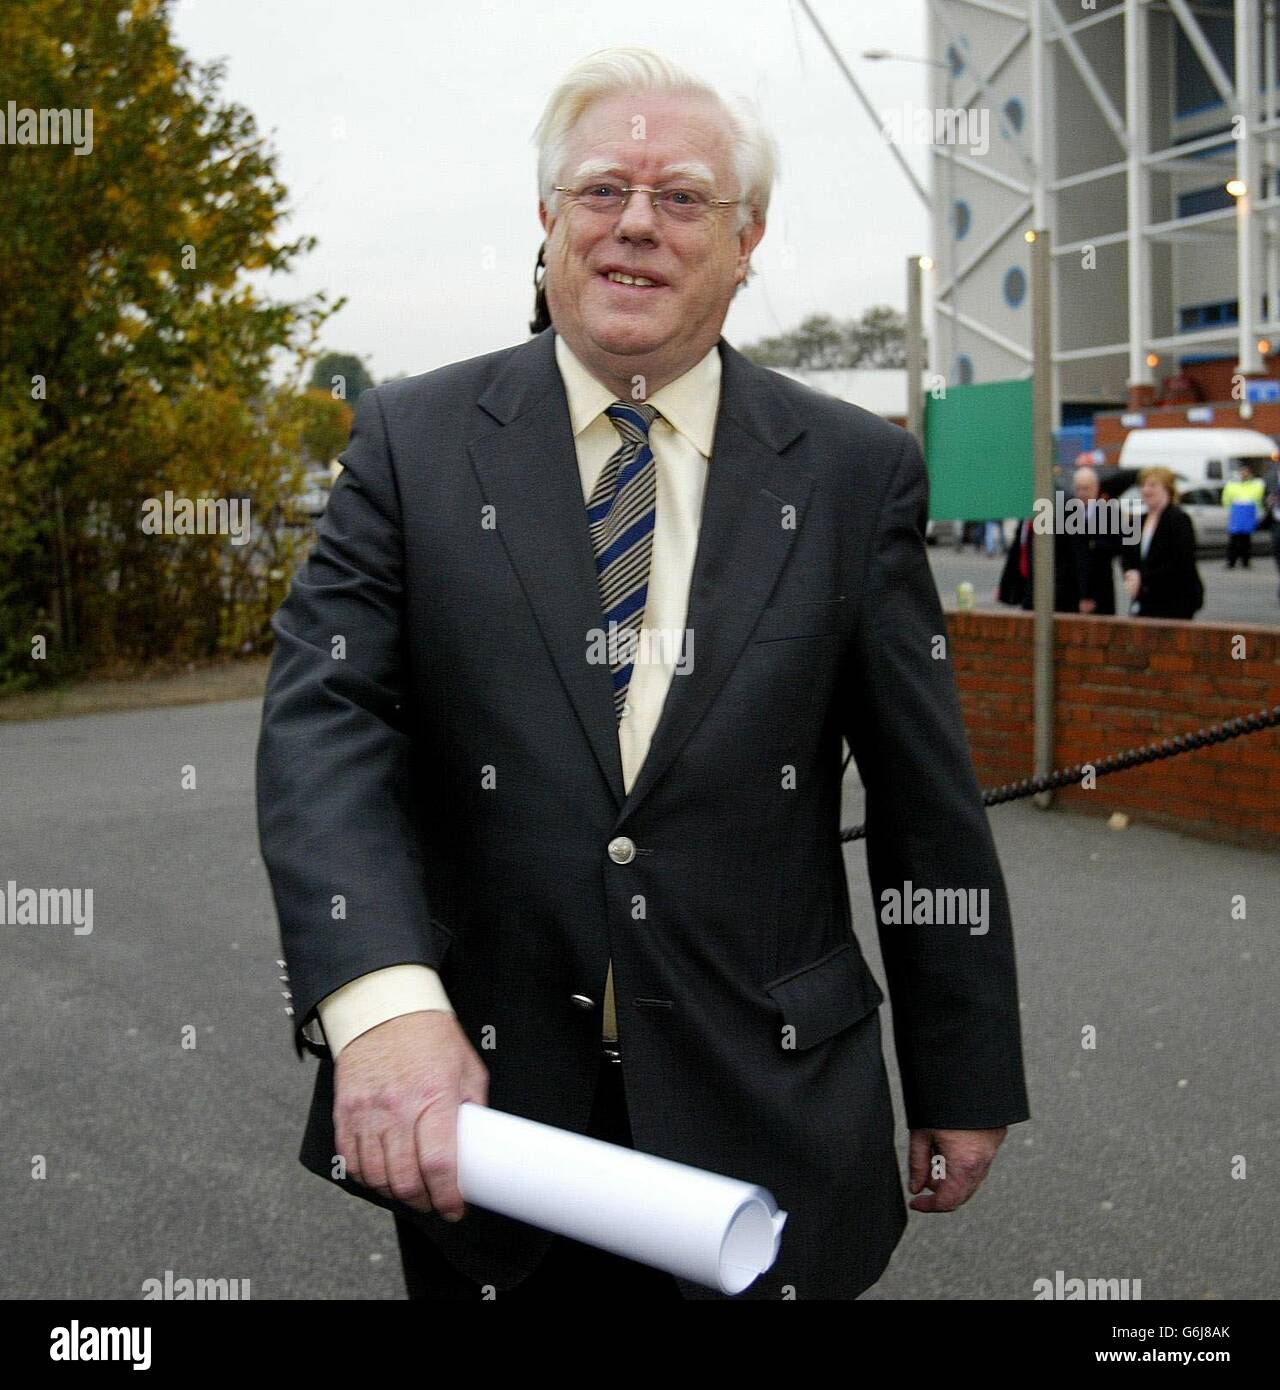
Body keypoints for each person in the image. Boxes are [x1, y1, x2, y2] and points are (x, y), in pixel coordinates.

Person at [255, 45, 1030, 1303]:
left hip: (772, 1106)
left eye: (681, 197)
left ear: (746, 240)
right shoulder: (412, 442)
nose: (635, 224)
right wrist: (380, 1003)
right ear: (549, 221)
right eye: (602, 188)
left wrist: (962, 1073)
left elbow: (922, 797)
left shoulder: (849, 473)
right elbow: (323, 727)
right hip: (490, 1119)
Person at [1120, 467, 1204, 619]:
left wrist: (1143, 578)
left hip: (1174, 601)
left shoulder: (1179, 520)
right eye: (1143, 485)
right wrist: (1130, 573)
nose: (1146, 490)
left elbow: (1181, 562)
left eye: (1152, 485)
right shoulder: (1137, 521)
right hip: (1143, 600)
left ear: (1167, 489)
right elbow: (1126, 555)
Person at [1071, 464, 1121, 615]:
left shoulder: (1109, 513)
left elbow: (1117, 545)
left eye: (1086, 488)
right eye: (1078, 489)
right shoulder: (1067, 514)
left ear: (1096, 488)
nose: (1082, 493)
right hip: (1073, 592)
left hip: (1102, 590)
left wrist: (1095, 544)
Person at [1221, 461, 1266, 569]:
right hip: (1237, 513)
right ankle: (1231, 562)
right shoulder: (1232, 485)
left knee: (1245, 540)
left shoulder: (1255, 485)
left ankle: (1245, 562)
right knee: (1234, 540)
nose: (1244, 474)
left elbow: (1258, 499)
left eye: (1246, 472)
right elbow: (1226, 499)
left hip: (1247, 514)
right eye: (1243, 471)